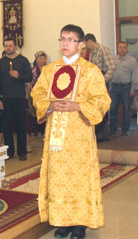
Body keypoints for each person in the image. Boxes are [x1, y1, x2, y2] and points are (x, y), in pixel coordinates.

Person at [31, 24, 111, 239]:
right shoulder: (49, 71)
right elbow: (37, 95)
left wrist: (79, 106)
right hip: (56, 135)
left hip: (79, 134)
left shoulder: (90, 71)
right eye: (62, 39)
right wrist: (49, 105)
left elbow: (102, 100)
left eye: (70, 39)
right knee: (58, 178)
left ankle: (79, 224)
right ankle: (62, 221)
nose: (65, 43)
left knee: (79, 177)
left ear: (81, 44)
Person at [0, 37, 32, 161]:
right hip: (5, 99)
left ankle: (22, 152)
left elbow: (29, 77)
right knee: (7, 127)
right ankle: (9, 152)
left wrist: (18, 76)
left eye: (10, 46)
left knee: (21, 125)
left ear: (15, 46)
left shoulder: (23, 60)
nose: (8, 48)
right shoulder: (0, 62)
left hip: (19, 98)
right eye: (6, 46)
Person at [84, 33, 116, 141]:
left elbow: (111, 67)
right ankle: (97, 133)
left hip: (101, 81)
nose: (85, 46)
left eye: (85, 43)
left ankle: (104, 134)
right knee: (95, 107)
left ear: (90, 41)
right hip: (94, 82)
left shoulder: (102, 49)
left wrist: (102, 80)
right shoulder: (92, 52)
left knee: (102, 107)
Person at [110, 41, 138, 136]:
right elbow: (110, 73)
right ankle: (113, 130)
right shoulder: (113, 59)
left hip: (127, 88)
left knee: (127, 109)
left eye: (124, 47)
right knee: (113, 108)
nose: (122, 49)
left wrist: (133, 88)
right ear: (118, 49)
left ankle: (125, 131)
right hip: (114, 87)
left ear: (127, 49)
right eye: (120, 47)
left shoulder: (132, 60)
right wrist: (109, 87)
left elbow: (135, 75)